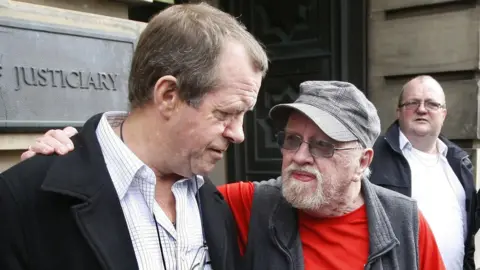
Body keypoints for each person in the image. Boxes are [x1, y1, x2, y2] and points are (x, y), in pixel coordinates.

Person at [22, 81, 446, 269]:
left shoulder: (405, 225)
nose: (300, 156)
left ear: (365, 160)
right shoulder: (250, 204)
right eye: (292, 139)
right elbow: (148, 180)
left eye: (323, 146)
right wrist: (74, 152)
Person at [0, 3, 268, 270]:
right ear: (168, 96)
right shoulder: (24, 199)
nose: (239, 134)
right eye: (225, 113)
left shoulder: (215, 204)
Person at [369, 75, 476, 270]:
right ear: (398, 111)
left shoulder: (459, 162)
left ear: (443, 113)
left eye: (432, 104)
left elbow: (468, 236)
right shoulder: (373, 157)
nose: (422, 109)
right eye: (412, 103)